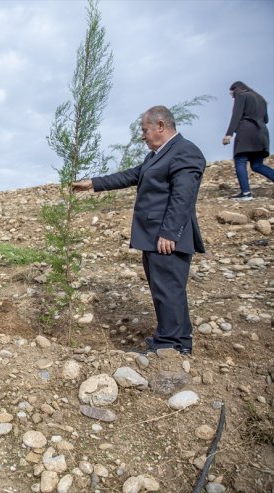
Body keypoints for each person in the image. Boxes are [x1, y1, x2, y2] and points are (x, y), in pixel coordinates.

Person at [73, 106, 205, 356]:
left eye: (145, 130)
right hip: (153, 235)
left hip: (167, 236)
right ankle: (176, 340)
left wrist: (169, 232)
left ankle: (172, 344)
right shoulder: (155, 156)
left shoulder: (185, 151)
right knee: (164, 288)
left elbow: (183, 195)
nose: (142, 136)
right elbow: (131, 175)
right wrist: (93, 183)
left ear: (161, 126)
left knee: (169, 289)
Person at [223, 81, 272, 200]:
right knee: (257, 165)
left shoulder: (241, 95)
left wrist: (229, 134)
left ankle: (246, 193)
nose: (231, 94)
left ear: (237, 89)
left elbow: (236, 115)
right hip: (262, 134)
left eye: (232, 92)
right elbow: (266, 119)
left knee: (240, 160)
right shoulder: (261, 99)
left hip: (246, 132)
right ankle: (245, 193)